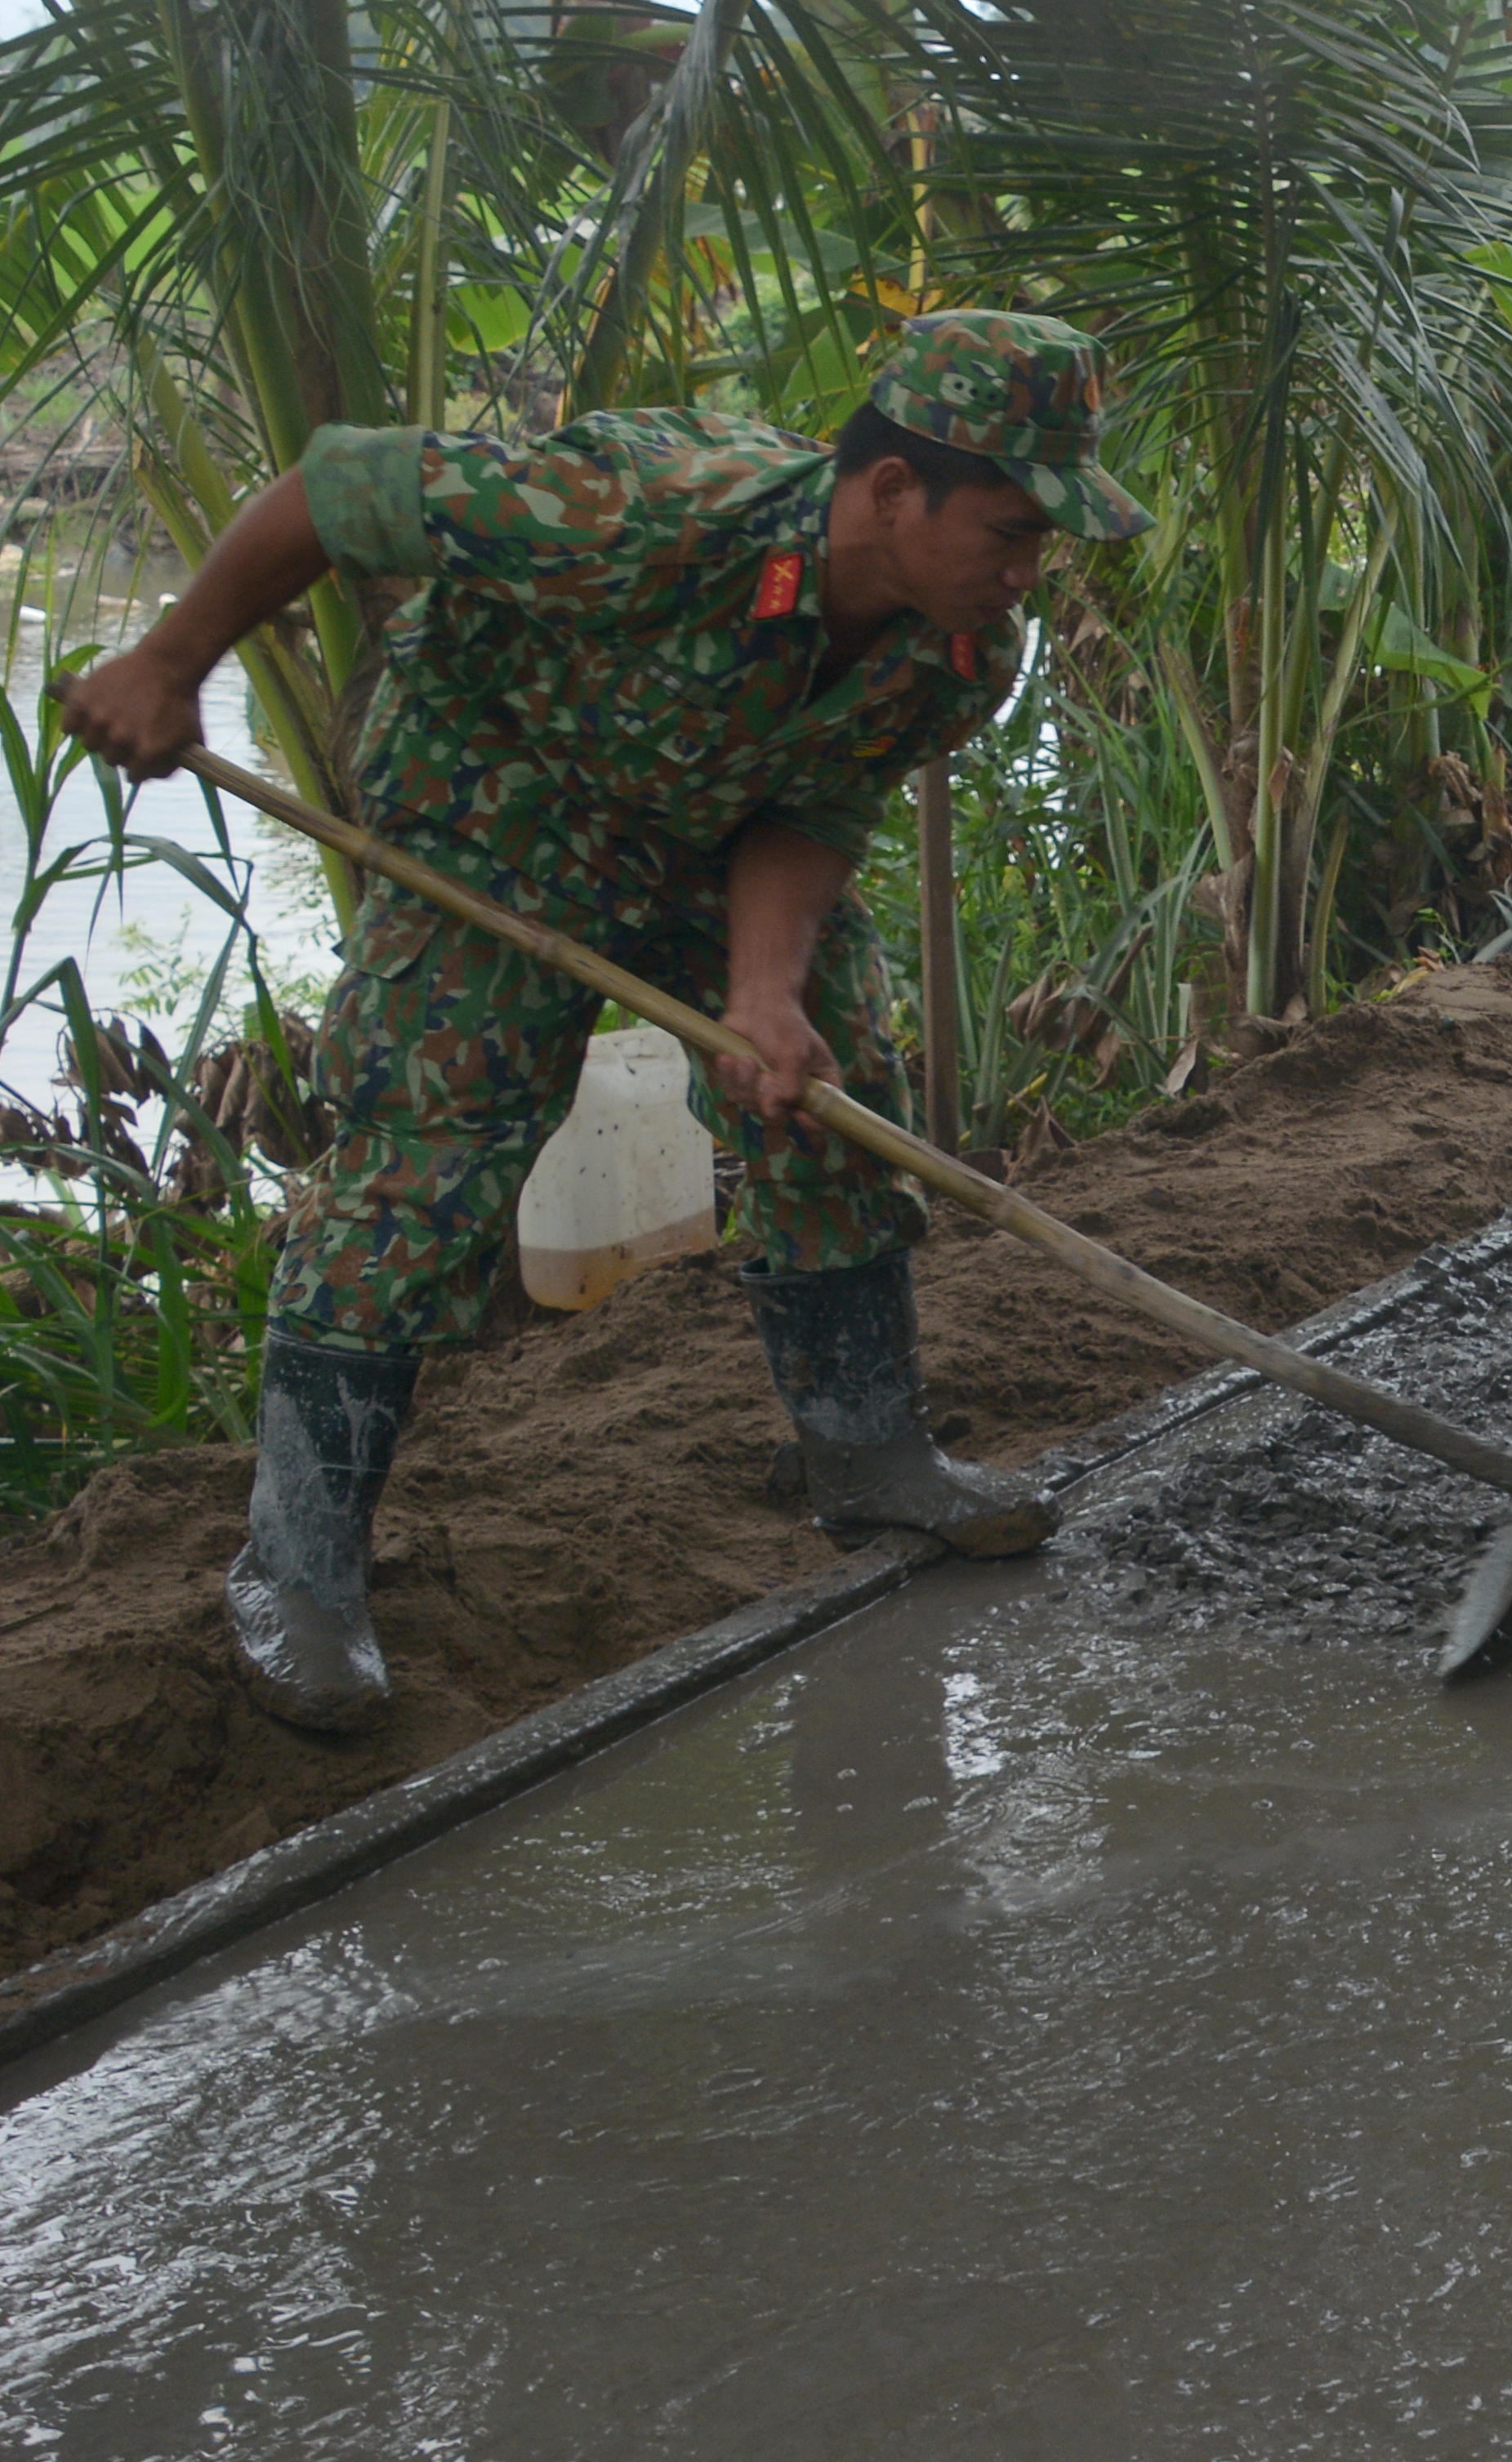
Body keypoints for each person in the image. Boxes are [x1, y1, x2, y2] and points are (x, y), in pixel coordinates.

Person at [60, 314, 1151, 1733]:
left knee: (829, 1082)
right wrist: (172, 655)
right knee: (434, 1154)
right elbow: (338, 487)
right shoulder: (637, 513)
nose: (1025, 573)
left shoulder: (958, 654)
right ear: (893, 491)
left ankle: (867, 1453)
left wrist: (761, 998)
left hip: (708, 841)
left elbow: (814, 799)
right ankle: (301, 1565)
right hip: (490, 815)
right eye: (1008, 529)